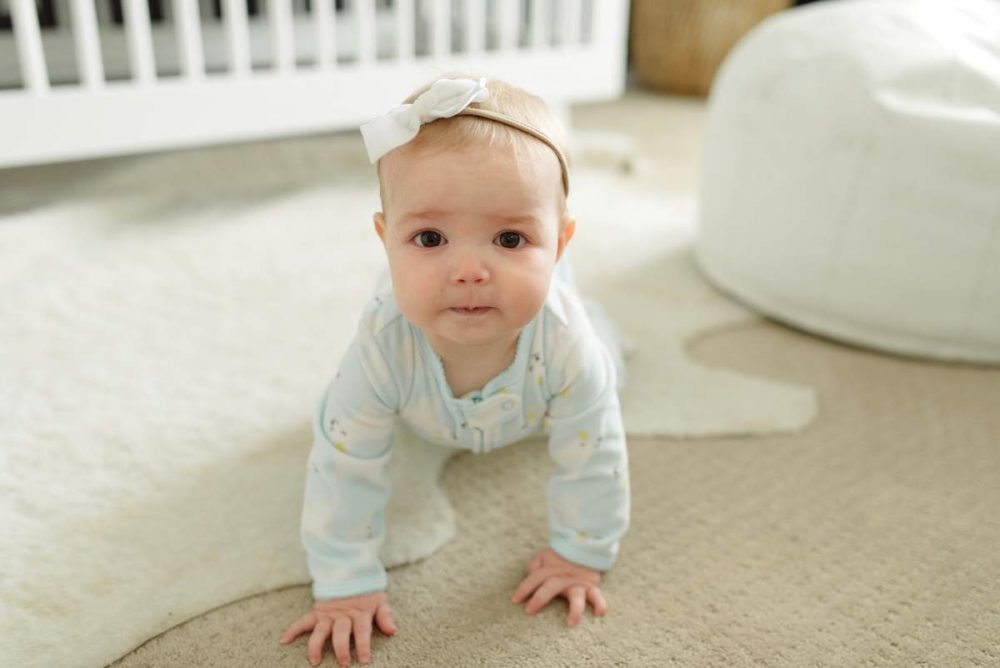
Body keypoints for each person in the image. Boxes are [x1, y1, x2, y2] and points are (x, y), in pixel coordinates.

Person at [280, 75, 630, 667]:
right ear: (385, 239)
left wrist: (581, 552)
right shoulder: (381, 349)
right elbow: (342, 467)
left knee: (614, 366)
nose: (469, 269)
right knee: (344, 421)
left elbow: (596, 455)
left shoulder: (569, 344)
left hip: (546, 370)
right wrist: (345, 582)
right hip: (421, 396)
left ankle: (561, 285)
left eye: (510, 237)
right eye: (431, 237)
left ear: (561, 241)